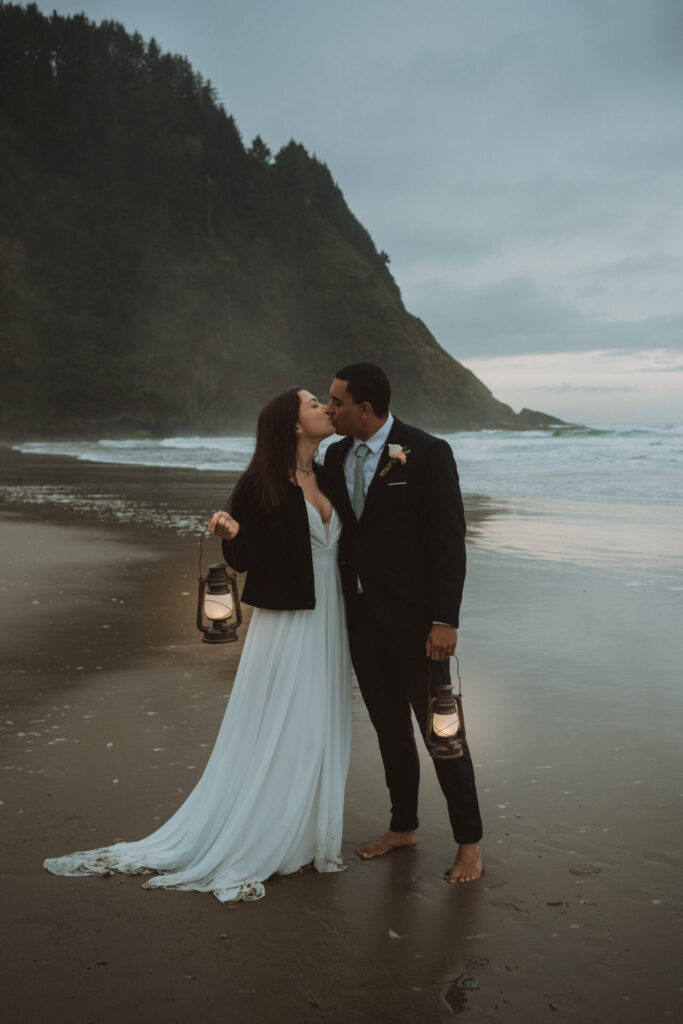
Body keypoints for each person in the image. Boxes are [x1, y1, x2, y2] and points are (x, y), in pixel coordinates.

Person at [44, 389, 352, 903]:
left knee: (321, 725)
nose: (325, 406)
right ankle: (266, 837)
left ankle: (302, 837)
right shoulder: (260, 482)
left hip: (332, 617)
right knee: (286, 723)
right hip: (289, 620)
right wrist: (231, 532)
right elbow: (245, 555)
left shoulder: (331, 475)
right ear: (293, 425)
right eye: (314, 402)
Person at [324, 363, 483, 883]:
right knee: (390, 732)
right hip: (364, 622)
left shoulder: (429, 452)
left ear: (364, 408)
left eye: (337, 402)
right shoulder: (336, 454)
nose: (330, 410)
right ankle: (403, 827)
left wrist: (445, 619)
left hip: (420, 626)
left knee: (442, 735)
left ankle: (470, 844)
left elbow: (448, 542)